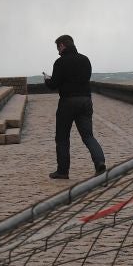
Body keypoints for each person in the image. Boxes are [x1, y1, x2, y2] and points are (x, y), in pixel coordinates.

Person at [43, 34, 106, 180]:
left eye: (58, 47)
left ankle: (63, 171)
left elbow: (54, 85)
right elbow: (86, 78)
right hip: (85, 101)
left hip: (67, 102)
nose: (58, 51)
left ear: (63, 45)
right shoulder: (85, 60)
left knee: (62, 138)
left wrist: (47, 80)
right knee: (88, 136)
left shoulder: (60, 62)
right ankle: (100, 162)